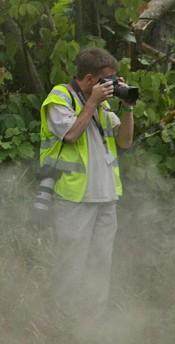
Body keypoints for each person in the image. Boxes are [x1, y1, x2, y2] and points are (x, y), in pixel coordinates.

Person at [38, 47, 134, 324]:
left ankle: (92, 320)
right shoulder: (60, 98)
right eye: (109, 80)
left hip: (106, 197)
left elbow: (125, 141)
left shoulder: (103, 106)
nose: (113, 85)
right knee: (71, 262)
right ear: (90, 78)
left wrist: (128, 108)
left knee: (101, 262)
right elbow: (69, 135)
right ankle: (62, 321)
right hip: (74, 197)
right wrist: (90, 103)